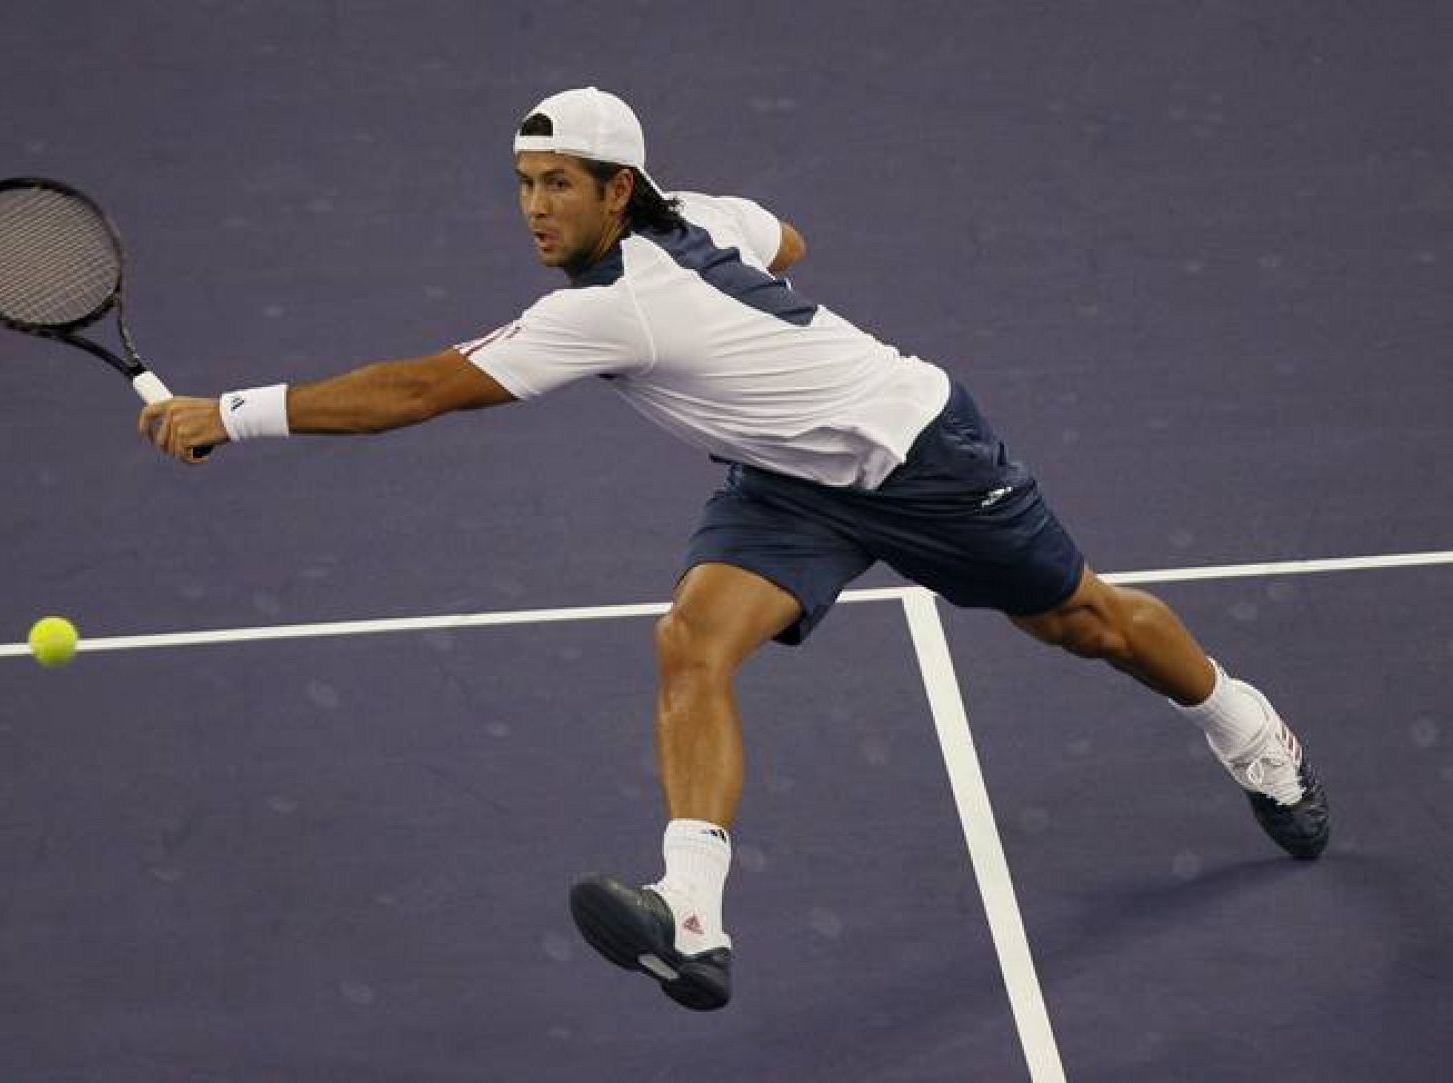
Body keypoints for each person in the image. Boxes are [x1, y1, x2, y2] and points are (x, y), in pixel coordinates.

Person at [140, 87, 1330, 1012]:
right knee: (691, 645)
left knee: (1082, 623)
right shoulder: (704, 216)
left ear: (618, 189)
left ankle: (1242, 723)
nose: (534, 208)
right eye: (523, 184)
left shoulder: (605, 310)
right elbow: (784, 237)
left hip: (920, 457)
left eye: (559, 184)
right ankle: (692, 916)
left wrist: (228, 414)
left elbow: (419, 390)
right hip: (788, 484)